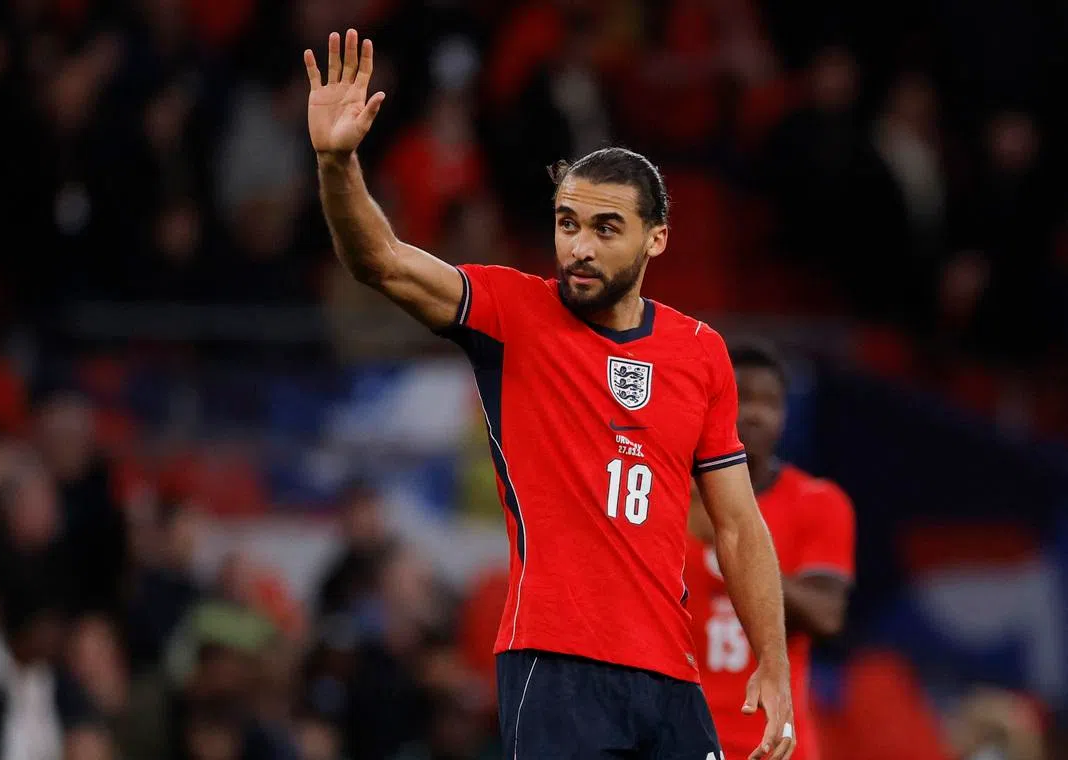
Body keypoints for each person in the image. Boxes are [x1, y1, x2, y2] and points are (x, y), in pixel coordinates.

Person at [304, 29, 795, 760]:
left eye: (606, 228)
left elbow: (739, 526)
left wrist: (774, 665)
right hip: (554, 665)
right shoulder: (511, 313)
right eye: (568, 224)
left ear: (656, 240)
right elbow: (380, 260)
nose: (580, 247)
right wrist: (337, 163)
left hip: (670, 674)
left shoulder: (700, 352)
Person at [683, 343, 855, 760]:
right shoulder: (670, 497)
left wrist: (736, 547)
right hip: (680, 734)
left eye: (771, 403)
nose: (756, 414)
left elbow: (827, 617)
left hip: (773, 742)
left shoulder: (818, 501)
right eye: (743, 398)